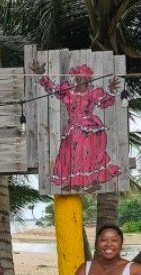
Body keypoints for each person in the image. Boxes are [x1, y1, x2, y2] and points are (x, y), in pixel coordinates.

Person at [34, 60, 120, 191]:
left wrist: (110, 91)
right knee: (69, 153)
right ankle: (73, 181)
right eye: (77, 79)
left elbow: (104, 101)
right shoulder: (68, 90)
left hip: (88, 129)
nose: (79, 81)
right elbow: (53, 88)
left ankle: (91, 182)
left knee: (85, 155)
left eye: (83, 79)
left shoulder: (93, 92)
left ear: (88, 80)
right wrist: (42, 75)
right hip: (73, 128)